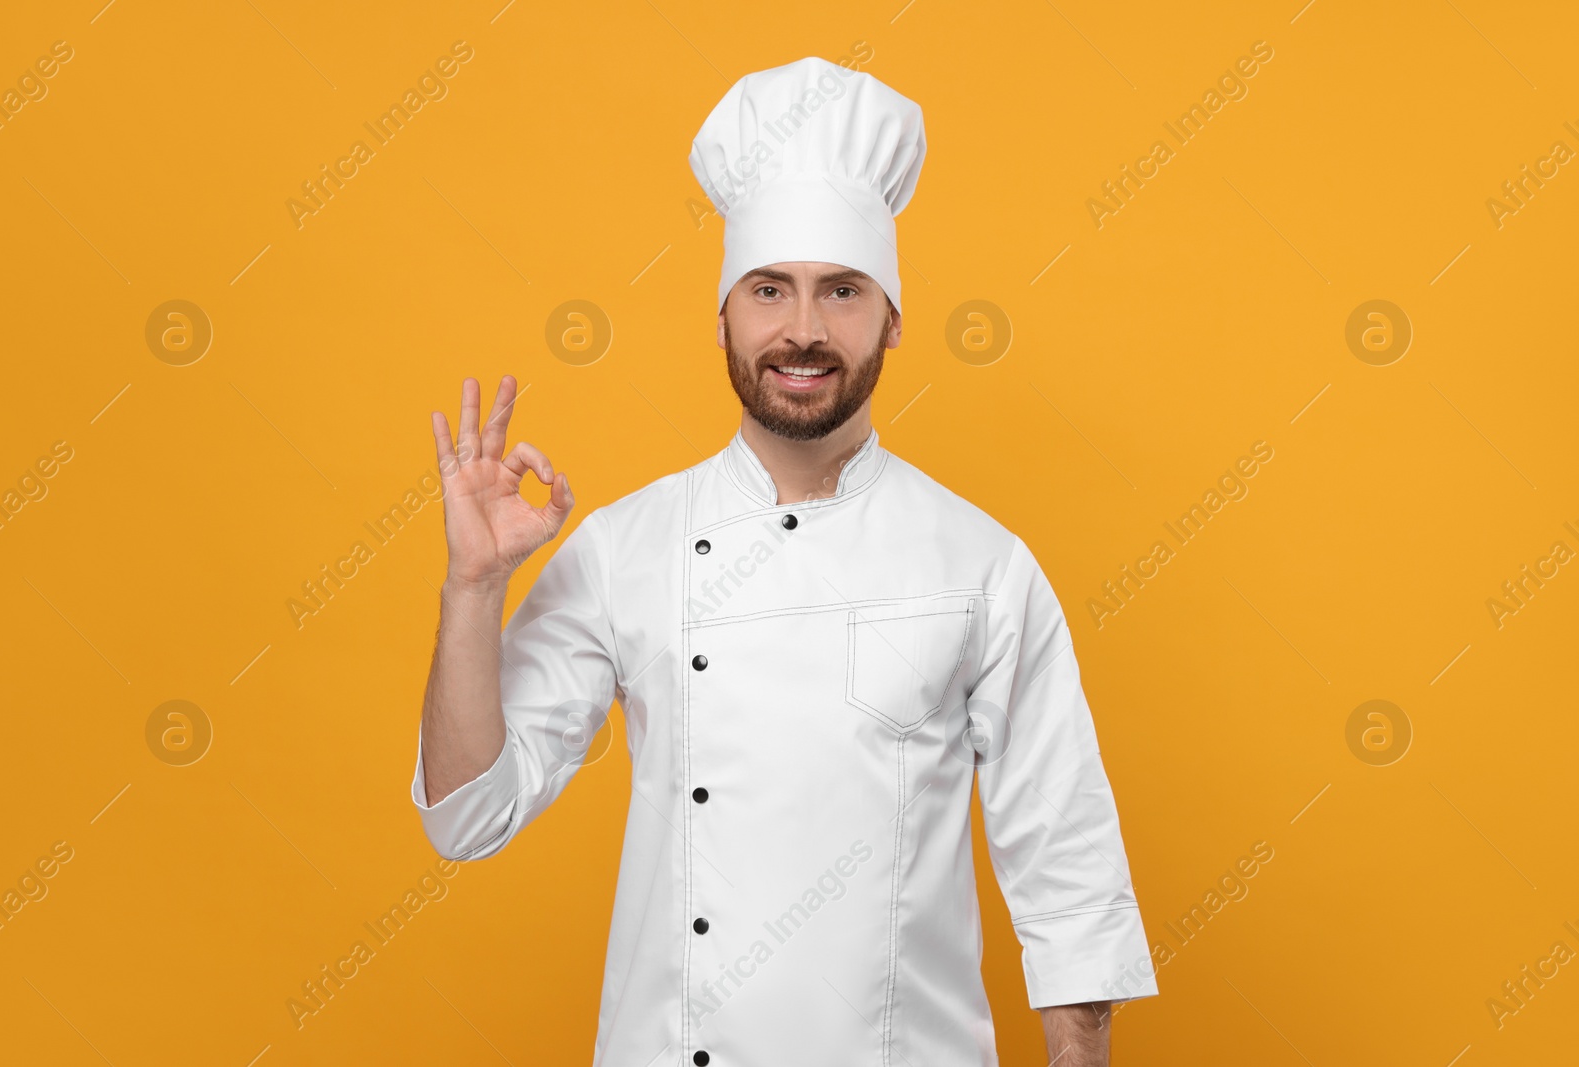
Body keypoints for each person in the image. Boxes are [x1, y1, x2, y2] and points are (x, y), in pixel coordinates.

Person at [413, 55, 1157, 1067]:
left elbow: (1063, 852)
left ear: (891, 318)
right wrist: (472, 588)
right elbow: (468, 814)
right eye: (769, 290)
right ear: (721, 313)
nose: (802, 332)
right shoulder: (627, 549)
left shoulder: (981, 563)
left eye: (841, 291)